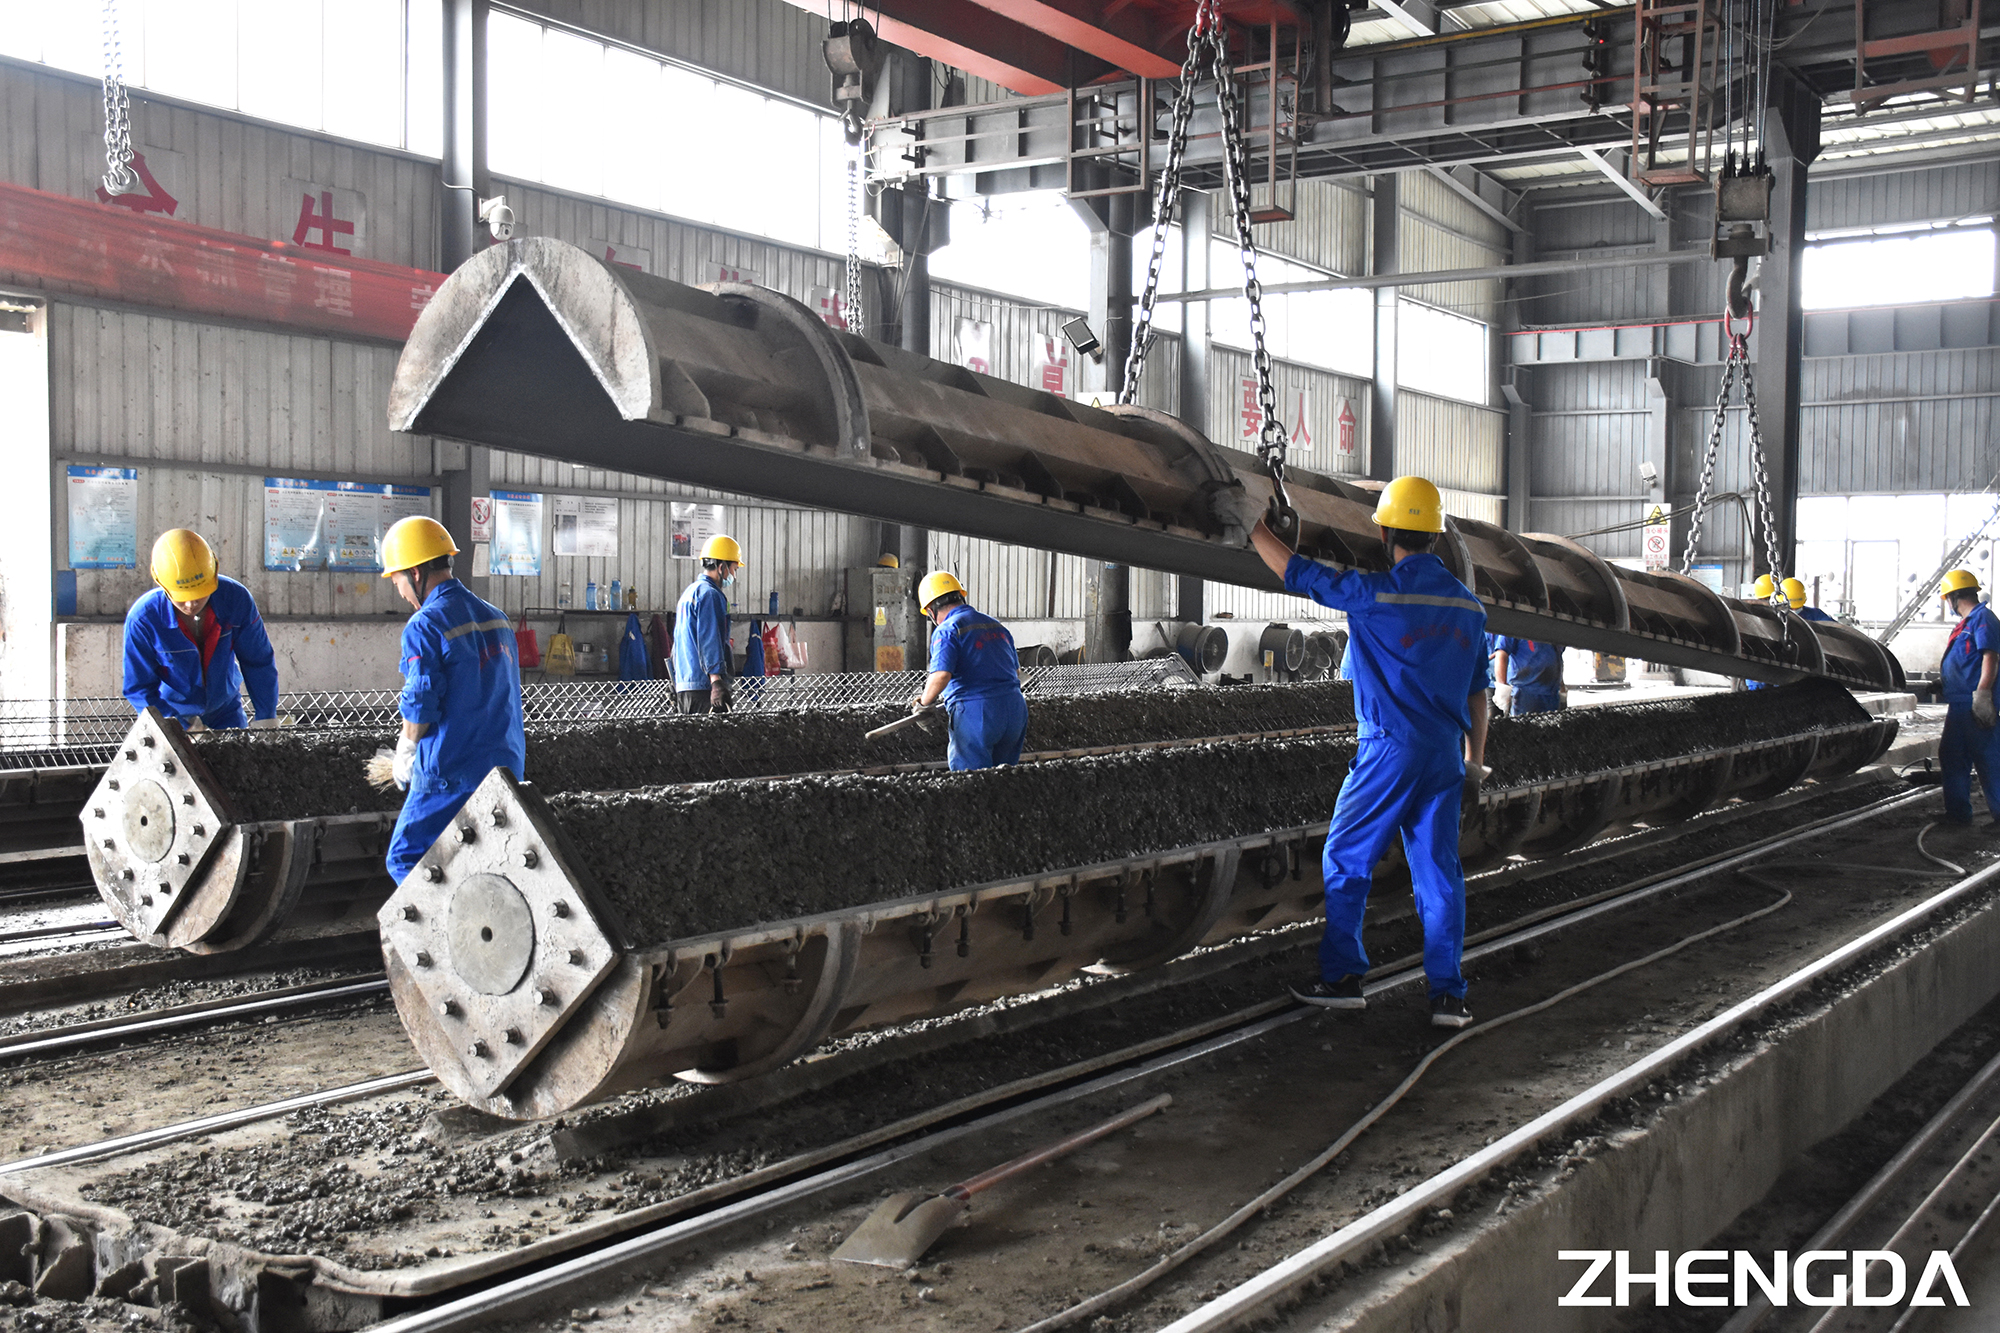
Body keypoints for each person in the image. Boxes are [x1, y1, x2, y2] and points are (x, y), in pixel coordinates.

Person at [1219, 475, 1490, 1028]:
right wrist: (1473, 763)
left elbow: (1297, 572)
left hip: (1389, 751)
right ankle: (1447, 997)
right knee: (1439, 875)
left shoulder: (1375, 595)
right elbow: (1479, 696)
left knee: (1346, 857)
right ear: (1436, 537)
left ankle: (1343, 978)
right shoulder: (1470, 609)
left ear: (1386, 534)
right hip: (1445, 756)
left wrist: (1251, 525)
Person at [377, 516, 525, 883]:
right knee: (483, 864)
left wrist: (406, 751)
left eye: (397, 581)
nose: (401, 592)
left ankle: (444, 923)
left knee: (405, 858)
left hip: (450, 772)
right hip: (505, 767)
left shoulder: (425, 624)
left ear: (415, 573)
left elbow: (421, 698)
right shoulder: (497, 619)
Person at [122, 529, 279, 731]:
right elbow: (139, 687)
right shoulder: (143, 619)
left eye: (199, 594)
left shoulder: (235, 600)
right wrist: (177, 726)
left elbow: (258, 661)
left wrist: (266, 718)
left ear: (214, 574)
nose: (190, 604)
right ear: (161, 584)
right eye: (181, 597)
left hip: (226, 712)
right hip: (171, 715)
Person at [909, 572, 1029, 771]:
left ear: (931, 610)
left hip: (978, 712)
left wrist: (924, 704)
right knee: (1005, 779)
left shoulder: (948, 629)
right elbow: (1016, 672)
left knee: (971, 781)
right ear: (960, 596)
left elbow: (941, 675)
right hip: (1015, 710)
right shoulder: (995, 625)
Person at [1938, 569, 1999, 829]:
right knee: (1952, 756)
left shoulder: (1982, 618)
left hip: (1974, 703)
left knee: (1989, 759)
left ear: (1953, 597)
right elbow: (1965, 661)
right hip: (1959, 704)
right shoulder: (1965, 624)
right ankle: (1958, 813)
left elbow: (1990, 656)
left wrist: (1983, 694)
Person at [674, 535, 740, 714]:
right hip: (706, 689)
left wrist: (675, 680)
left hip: (685, 686)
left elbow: (679, 640)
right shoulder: (710, 594)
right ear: (721, 567)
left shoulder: (689, 593)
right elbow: (710, 639)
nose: (734, 576)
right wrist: (716, 681)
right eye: (734, 569)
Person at [1489, 635, 1567, 715]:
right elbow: (1501, 654)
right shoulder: (1514, 628)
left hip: (1551, 691)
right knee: (1522, 722)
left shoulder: (1554, 630)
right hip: (1524, 692)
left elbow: (1557, 655)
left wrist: (1561, 685)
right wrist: (1502, 687)